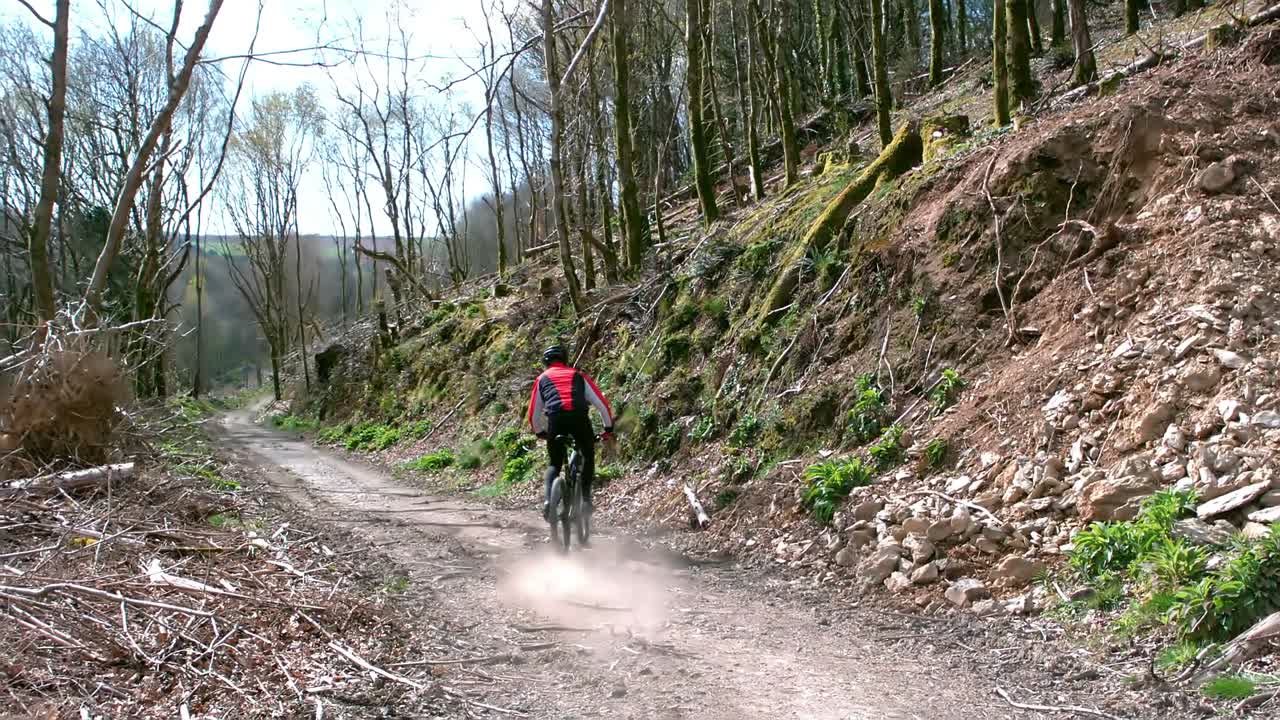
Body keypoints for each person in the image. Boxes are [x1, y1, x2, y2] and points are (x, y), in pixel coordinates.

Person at [527, 345, 614, 522]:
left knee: (554, 464)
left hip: (556, 420)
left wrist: (539, 432)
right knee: (588, 454)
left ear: (546, 363)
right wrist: (608, 428)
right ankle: (586, 500)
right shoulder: (578, 375)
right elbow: (601, 404)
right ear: (565, 359)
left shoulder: (542, 379)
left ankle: (547, 502)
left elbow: (533, 413)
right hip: (579, 419)